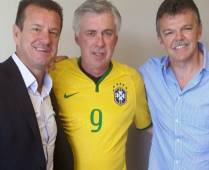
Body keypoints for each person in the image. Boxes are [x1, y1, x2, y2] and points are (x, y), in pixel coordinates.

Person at [0, 0, 73, 170]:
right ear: (16, 34)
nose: (46, 39)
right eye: (36, 29)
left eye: (53, 32)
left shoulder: (50, 89)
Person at [139, 0, 209, 169]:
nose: (179, 38)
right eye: (169, 32)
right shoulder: (148, 73)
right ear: (160, 39)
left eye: (186, 28)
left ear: (199, 29)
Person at [49, 0, 152, 169]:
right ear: (77, 38)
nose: (100, 42)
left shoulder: (132, 79)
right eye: (91, 33)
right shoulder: (55, 74)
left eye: (107, 33)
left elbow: (151, 129)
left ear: (116, 39)